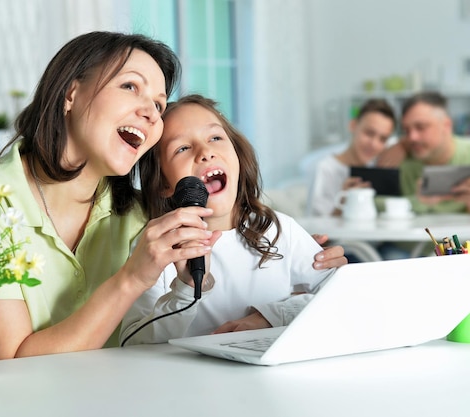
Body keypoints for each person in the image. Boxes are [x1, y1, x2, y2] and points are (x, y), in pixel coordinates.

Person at [0, 32, 346, 360]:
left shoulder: (145, 216)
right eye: (130, 86)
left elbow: (224, 300)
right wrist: (132, 277)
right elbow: (9, 364)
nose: (152, 112)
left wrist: (308, 268)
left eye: (157, 102)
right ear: (70, 94)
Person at [120, 94, 338, 344]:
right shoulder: (155, 247)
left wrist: (269, 317)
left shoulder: (280, 230)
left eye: (215, 138)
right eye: (182, 148)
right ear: (163, 184)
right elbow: (134, 342)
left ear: (236, 154)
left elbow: (342, 296)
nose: (205, 152)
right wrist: (185, 289)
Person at [383, 91, 470, 214]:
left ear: (446, 125)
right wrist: (416, 202)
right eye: (406, 130)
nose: (411, 138)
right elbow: (375, 203)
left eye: (421, 127)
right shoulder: (405, 164)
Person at [308, 98, 396, 217]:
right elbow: (315, 227)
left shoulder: (375, 169)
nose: (374, 144)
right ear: (353, 125)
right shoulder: (326, 169)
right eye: (369, 133)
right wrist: (344, 201)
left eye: (382, 139)